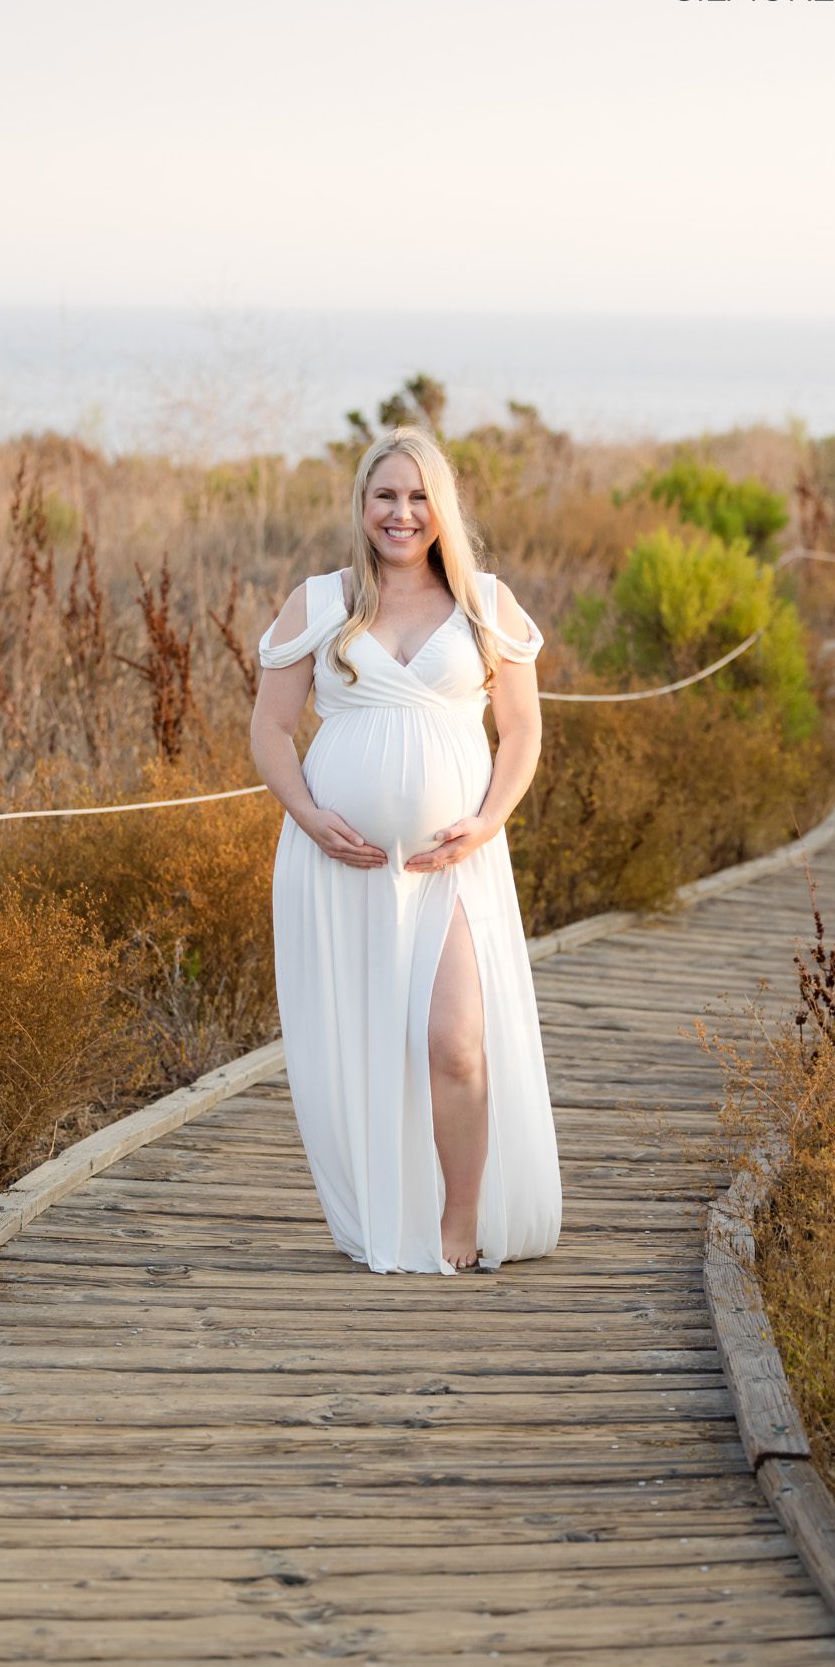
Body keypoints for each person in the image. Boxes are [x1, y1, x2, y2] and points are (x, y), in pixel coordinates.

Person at [249, 426, 563, 1275]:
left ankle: (459, 1219)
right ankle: (385, 1209)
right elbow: (271, 730)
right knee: (356, 1046)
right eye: (385, 495)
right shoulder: (318, 604)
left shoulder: (484, 604)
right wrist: (310, 817)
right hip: (337, 866)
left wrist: (490, 818)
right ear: (361, 505)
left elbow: (522, 732)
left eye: (419, 496)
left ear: (442, 508)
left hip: (449, 867)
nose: (401, 512)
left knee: (455, 1042)